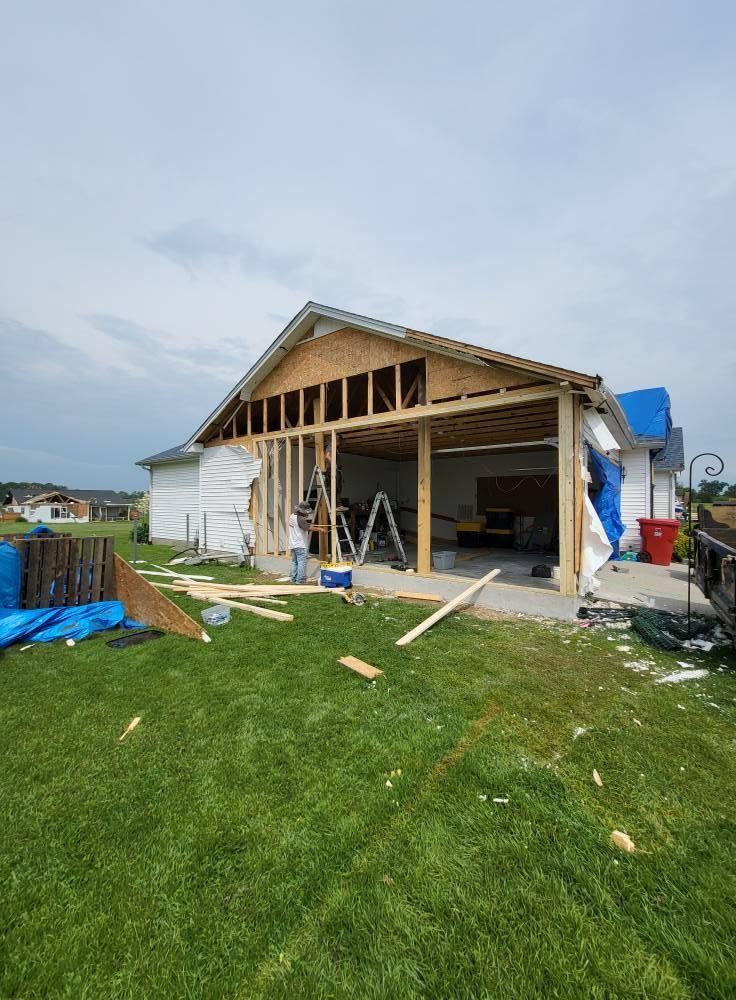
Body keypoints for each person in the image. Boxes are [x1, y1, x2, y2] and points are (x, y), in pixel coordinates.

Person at [288, 501, 325, 583]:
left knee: (294, 562)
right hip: (300, 544)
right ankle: (300, 580)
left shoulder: (292, 516)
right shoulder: (300, 519)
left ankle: (293, 578)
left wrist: (311, 524)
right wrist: (320, 529)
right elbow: (308, 528)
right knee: (301, 562)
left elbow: (304, 525)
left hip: (292, 543)